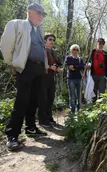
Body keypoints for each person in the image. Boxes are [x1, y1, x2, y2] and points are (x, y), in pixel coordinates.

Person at [0, 3, 48, 151]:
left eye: (43, 14)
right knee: (22, 100)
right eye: (38, 12)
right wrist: (12, 62)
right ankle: (12, 135)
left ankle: (31, 127)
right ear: (29, 12)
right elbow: (6, 45)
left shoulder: (38, 30)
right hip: (25, 67)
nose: (41, 15)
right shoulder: (17, 24)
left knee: (35, 100)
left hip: (39, 69)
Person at [38, 33, 62, 127]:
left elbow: (58, 63)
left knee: (50, 97)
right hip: (43, 77)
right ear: (45, 40)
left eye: (53, 40)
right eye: (50, 39)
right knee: (43, 98)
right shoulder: (41, 50)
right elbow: (39, 63)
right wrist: (49, 67)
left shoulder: (53, 51)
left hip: (51, 77)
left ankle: (48, 117)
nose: (52, 41)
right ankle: (42, 120)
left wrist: (57, 68)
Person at [65, 44, 85, 113]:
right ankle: (72, 110)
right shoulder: (68, 58)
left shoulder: (80, 59)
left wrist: (74, 67)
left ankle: (79, 109)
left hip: (79, 78)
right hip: (71, 79)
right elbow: (69, 67)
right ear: (71, 50)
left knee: (79, 95)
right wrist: (77, 67)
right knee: (72, 96)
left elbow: (82, 67)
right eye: (74, 49)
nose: (75, 51)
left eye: (77, 49)